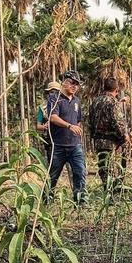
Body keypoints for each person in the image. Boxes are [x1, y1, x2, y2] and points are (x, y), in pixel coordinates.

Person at [46, 70, 87, 204]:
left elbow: (78, 119)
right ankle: (47, 200)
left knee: (80, 172)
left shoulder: (76, 101)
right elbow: (53, 117)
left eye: (77, 84)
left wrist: (77, 130)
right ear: (63, 82)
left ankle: (81, 201)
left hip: (75, 145)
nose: (74, 86)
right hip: (58, 145)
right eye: (72, 83)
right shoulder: (55, 98)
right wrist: (69, 126)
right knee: (52, 176)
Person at [88, 77, 129, 187]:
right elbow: (117, 121)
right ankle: (113, 189)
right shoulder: (112, 102)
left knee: (103, 166)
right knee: (112, 167)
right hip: (111, 142)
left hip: (98, 141)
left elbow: (90, 123)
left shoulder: (95, 103)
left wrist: (93, 137)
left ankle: (108, 188)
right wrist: (124, 135)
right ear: (116, 90)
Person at [36, 81, 61, 161]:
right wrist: (44, 126)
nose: (53, 94)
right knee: (52, 162)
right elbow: (38, 126)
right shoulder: (42, 108)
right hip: (50, 140)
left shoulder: (65, 104)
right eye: (51, 92)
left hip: (64, 139)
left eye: (56, 92)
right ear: (48, 94)